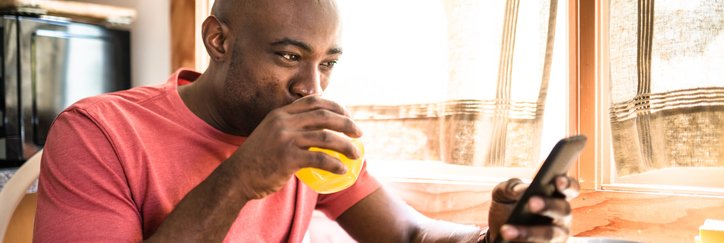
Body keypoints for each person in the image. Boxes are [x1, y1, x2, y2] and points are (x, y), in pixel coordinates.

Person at [33, 0, 579, 242]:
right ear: (218, 41)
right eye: (290, 56)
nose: (311, 87)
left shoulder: (303, 134)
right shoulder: (96, 133)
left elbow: (409, 234)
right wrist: (241, 177)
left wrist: (495, 240)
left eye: (328, 64)